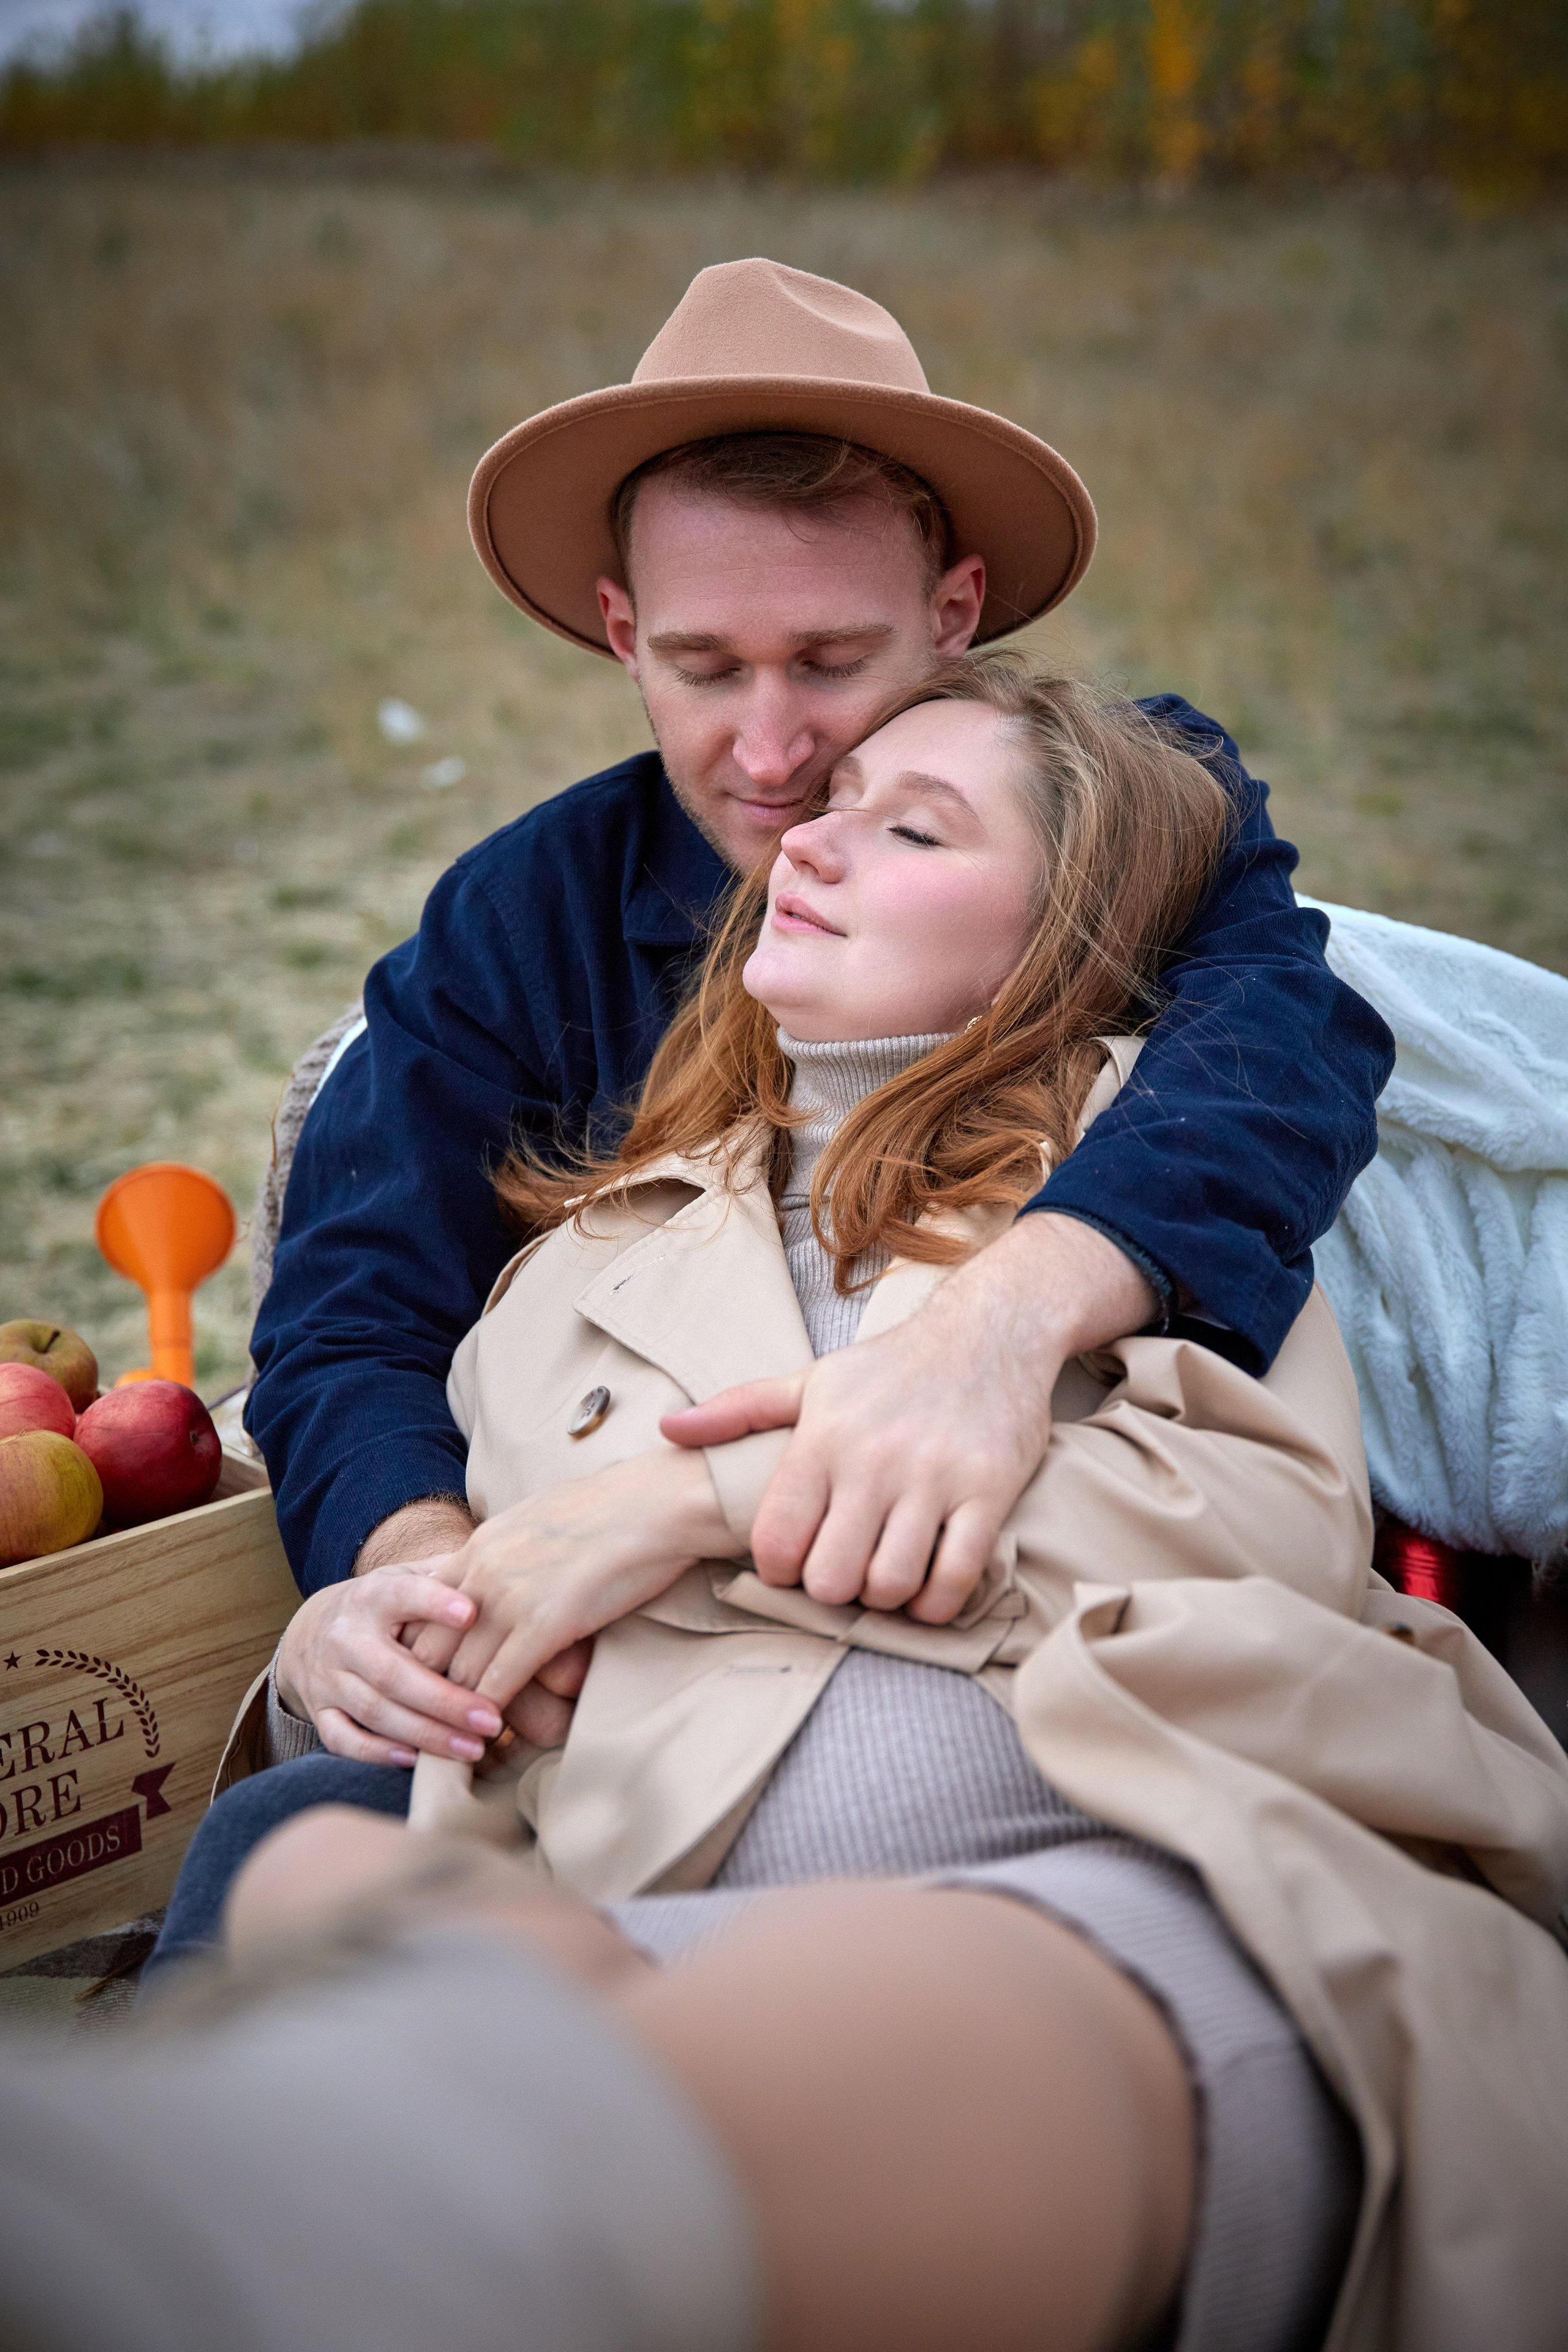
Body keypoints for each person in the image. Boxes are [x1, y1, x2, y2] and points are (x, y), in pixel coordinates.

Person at [138, 660, 1568, 2352]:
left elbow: (1230, 1534)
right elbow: (465, 1558)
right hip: (631, 1896)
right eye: (827, 813)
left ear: (1066, 934)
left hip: (1111, 1884)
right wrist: (369, 1640)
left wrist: (694, 1509)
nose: (808, 841)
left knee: (719, 2080)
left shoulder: (1148, 1185)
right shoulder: (583, 1255)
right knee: (314, 1898)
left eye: (914, 830)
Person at [246, 256, 1394, 1771]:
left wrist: (990, 1335)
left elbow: (1280, 1047)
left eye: (835, 665)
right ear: (617, 631)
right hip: (592, 1658)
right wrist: (422, 1582)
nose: (774, 753)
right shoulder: (518, 917)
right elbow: (353, 1305)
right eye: (704, 668)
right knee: (281, 1854)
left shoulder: (1109, 803)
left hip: (1019, 1617)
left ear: (951, 611)